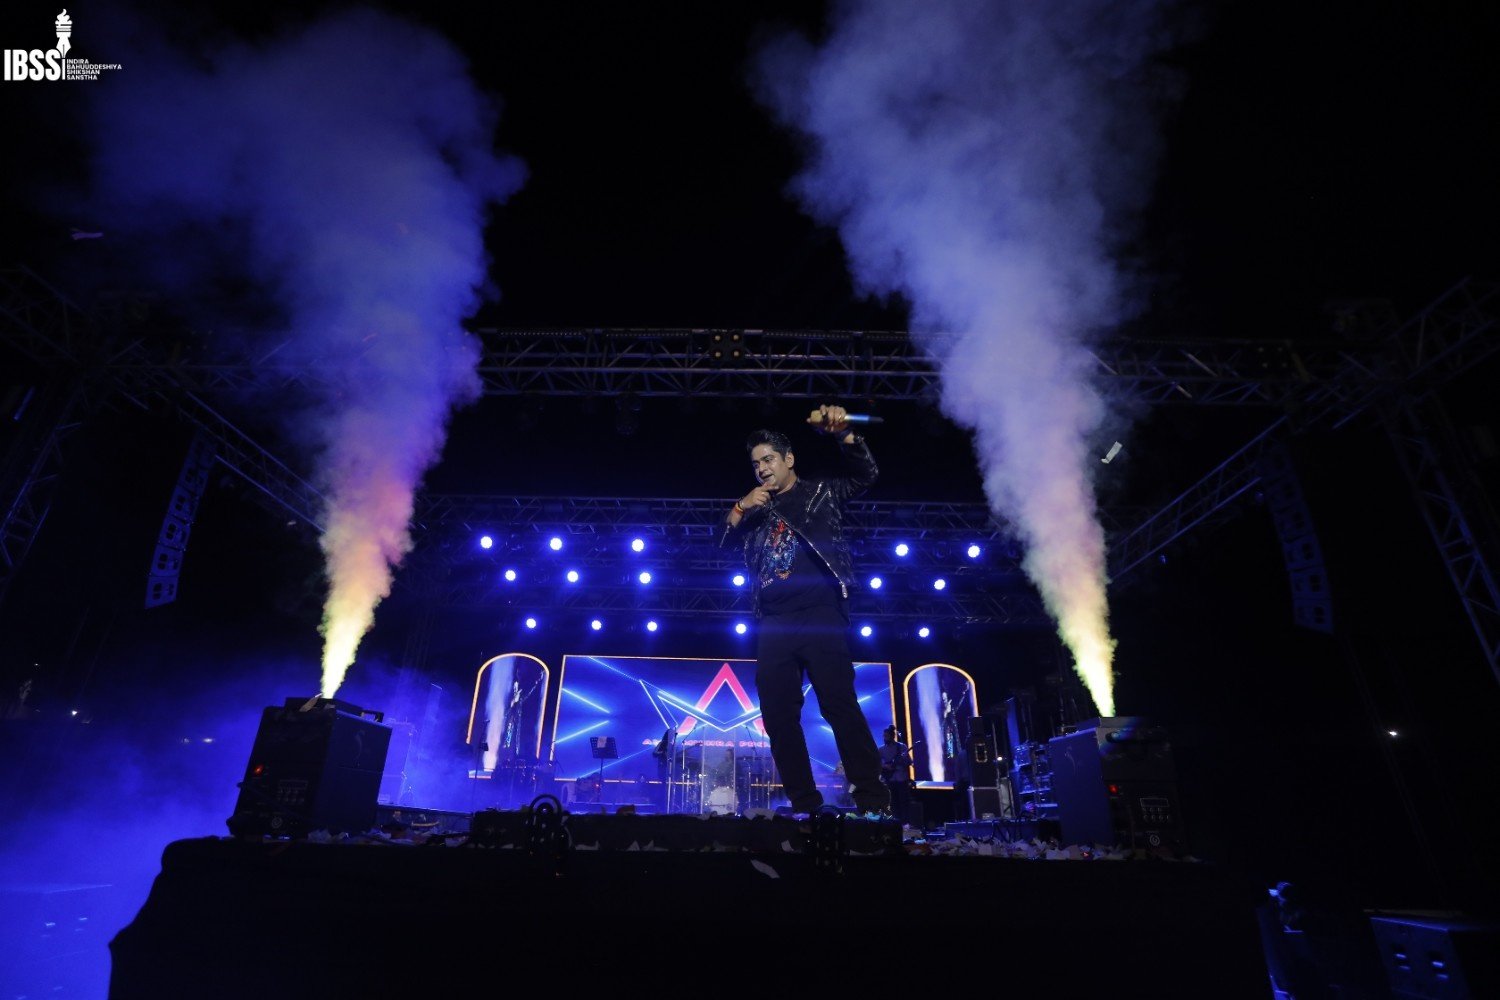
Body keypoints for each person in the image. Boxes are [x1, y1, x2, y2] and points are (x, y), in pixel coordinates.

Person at [720, 404, 890, 817]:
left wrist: (844, 434)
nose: (762, 469)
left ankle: (872, 801)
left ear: (789, 459)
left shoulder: (819, 493)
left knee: (838, 705)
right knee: (778, 715)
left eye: (769, 459)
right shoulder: (756, 510)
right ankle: (806, 805)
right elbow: (722, 541)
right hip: (774, 622)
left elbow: (865, 475)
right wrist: (741, 507)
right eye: (756, 463)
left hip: (819, 612)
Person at [878, 725, 914, 825]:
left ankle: (905, 823)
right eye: (884, 736)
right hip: (890, 780)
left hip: (901, 779)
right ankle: (895, 822)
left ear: (892, 736)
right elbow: (877, 763)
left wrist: (903, 761)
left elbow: (909, 762)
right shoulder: (881, 749)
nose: (885, 738)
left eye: (886, 736)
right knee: (893, 803)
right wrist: (885, 766)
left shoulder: (902, 747)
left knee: (904, 802)